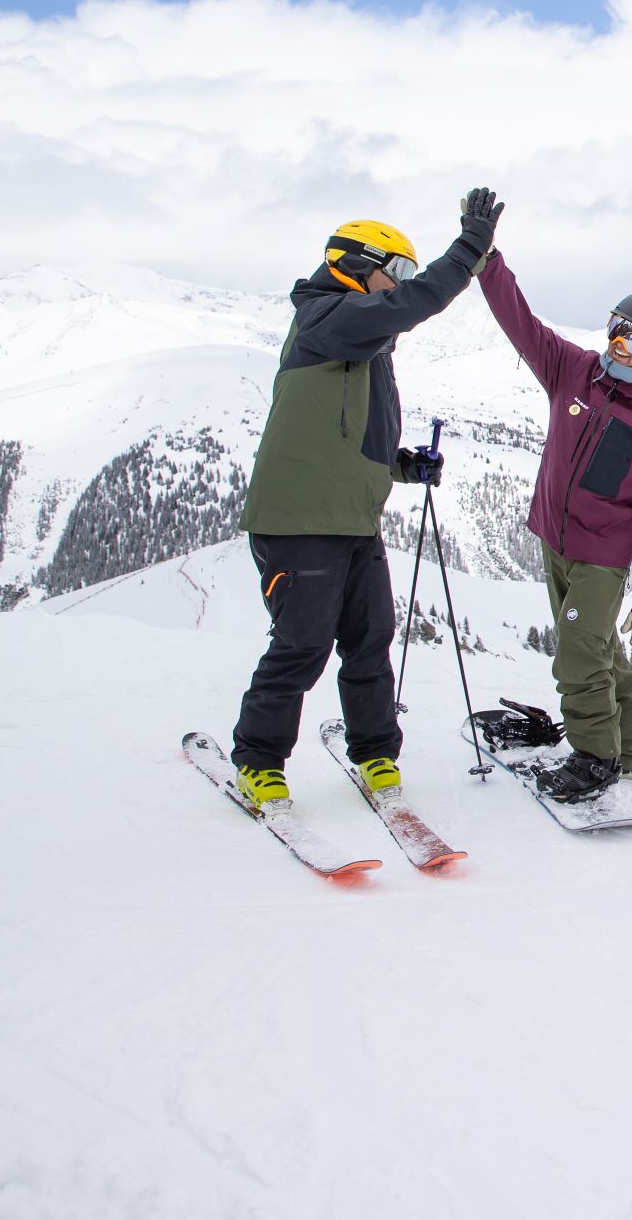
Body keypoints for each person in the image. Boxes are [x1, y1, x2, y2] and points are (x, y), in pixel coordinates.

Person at [229, 191, 502, 806]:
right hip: (299, 520)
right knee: (302, 646)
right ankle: (258, 760)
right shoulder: (325, 319)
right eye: (395, 269)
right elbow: (414, 303)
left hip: (351, 519)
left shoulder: (360, 345)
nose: (399, 283)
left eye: (405, 271)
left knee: (370, 639)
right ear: (353, 262)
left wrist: (404, 465)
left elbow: (349, 437)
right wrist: (468, 249)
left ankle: (376, 753)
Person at [478, 249, 632, 803]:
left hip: (602, 560)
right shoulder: (574, 372)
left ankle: (596, 757)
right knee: (598, 649)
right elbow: (520, 324)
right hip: (555, 542)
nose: (619, 343)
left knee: (576, 654)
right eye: (616, 328)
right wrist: (486, 263)